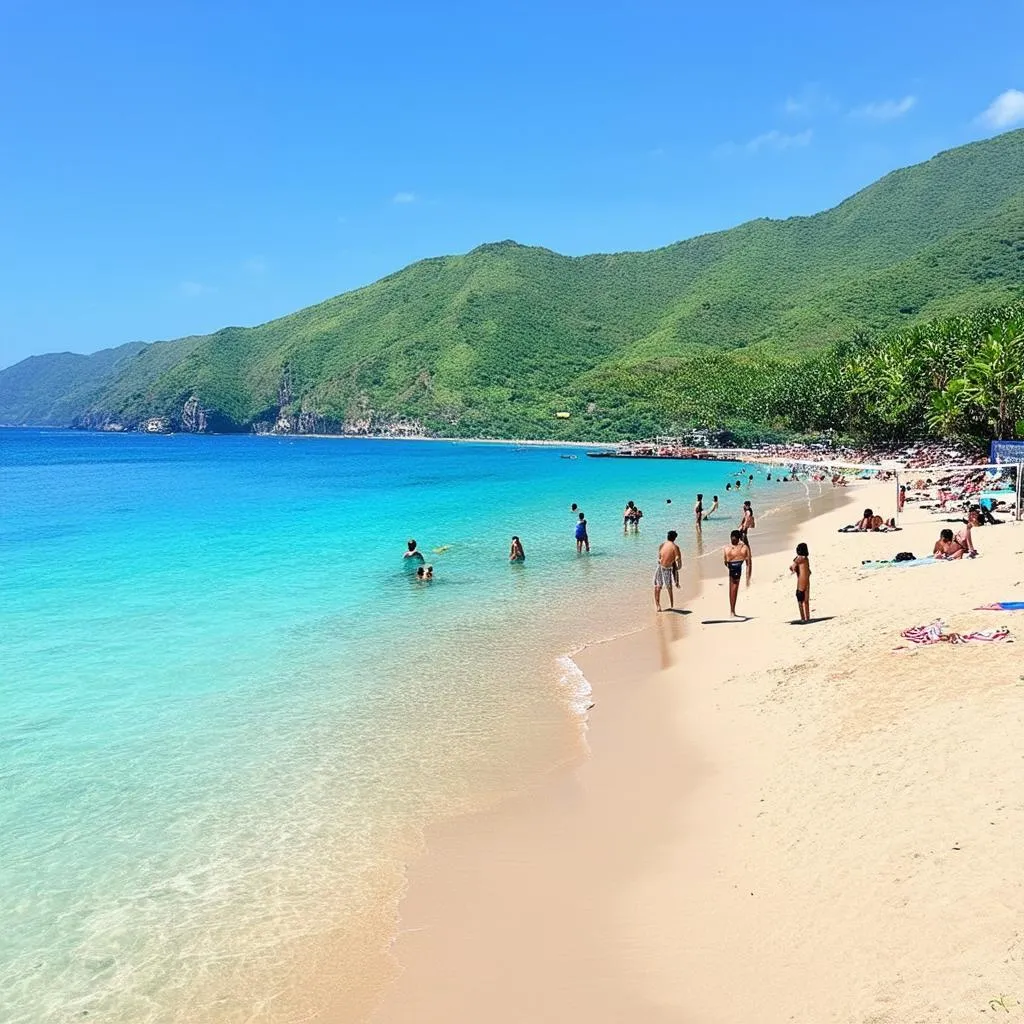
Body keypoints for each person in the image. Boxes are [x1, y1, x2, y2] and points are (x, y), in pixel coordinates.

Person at [723, 530, 752, 617]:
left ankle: (732, 611)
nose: (732, 540)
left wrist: (748, 577)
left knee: (733, 589)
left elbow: (748, 563)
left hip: (734, 565)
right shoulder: (744, 547)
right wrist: (748, 577)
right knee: (733, 589)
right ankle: (732, 611)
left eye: (733, 538)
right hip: (735, 565)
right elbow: (748, 563)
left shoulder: (741, 548)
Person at [654, 530, 682, 611]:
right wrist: (678, 566)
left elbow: (659, 557)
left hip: (660, 566)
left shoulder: (662, 545)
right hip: (667, 568)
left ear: (667, 537)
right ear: (675, 538)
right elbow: (678, 560)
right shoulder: (675, 547)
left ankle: (658, 605)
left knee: (658, 585)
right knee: (669, 586)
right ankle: (672, 604)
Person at [789, 542, 811, 622]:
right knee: (806, 601)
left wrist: (792, 569)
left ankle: (802, 618)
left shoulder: (799, 559)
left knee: (800, 601)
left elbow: (792, 567)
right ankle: (807, 617)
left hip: (801, 583)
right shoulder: (806, 559)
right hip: (807, 581)